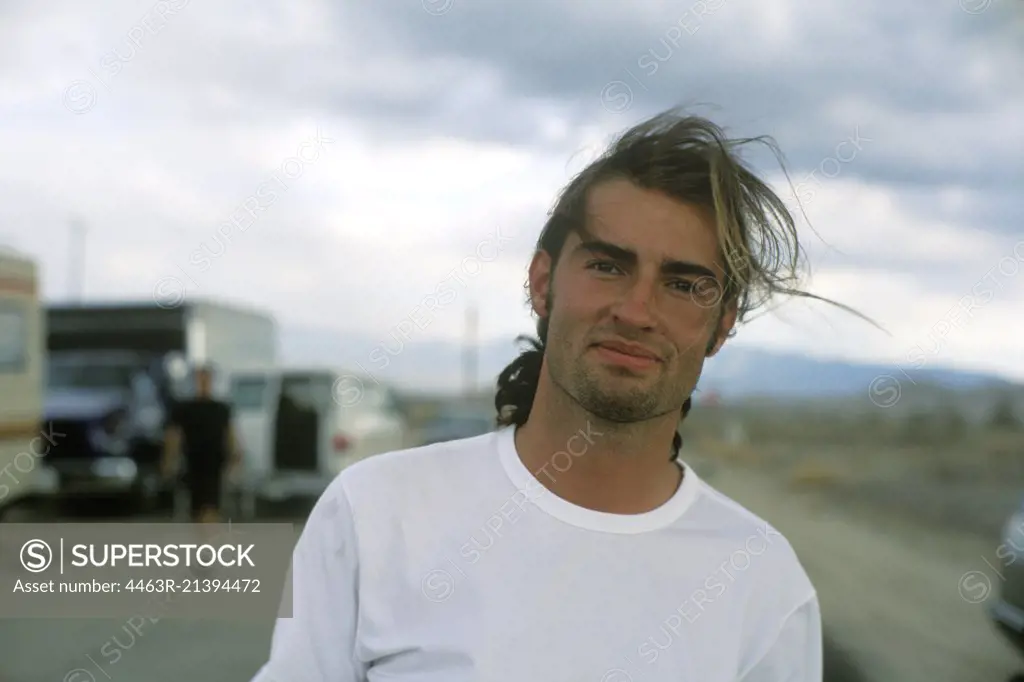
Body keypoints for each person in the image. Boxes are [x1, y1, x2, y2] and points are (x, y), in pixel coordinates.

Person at [252, 109, 854, 681]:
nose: (637, 310)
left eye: (682, 284)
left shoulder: (763, 586)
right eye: (608, 266)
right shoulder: (374, 513)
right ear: (543, 284)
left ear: (721, 325)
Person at [162, 364, 240, 523]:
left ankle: (209, 540)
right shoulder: (183, 408)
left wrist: (235, 456)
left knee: (211, 506)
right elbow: (174, 436)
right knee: (196, 508)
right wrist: (169, 460)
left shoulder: (220, 408)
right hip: (192, 462)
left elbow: (229, 433)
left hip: (215, 463)